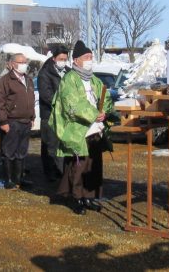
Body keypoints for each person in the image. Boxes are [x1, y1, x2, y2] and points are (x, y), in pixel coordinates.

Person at [50, 40, 114, 215]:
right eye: (87, 57)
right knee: (78, 166)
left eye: (91, 57)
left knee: (93, 164)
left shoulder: (94, 79)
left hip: (95, 129)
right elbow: (72, 103)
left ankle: (89, 196)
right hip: (77, 130)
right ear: (76, 60)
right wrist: (94, 114)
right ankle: (76, 197)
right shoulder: (69, 79)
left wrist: (105, 112)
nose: (90, 60)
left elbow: (105, 98)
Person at [0, 53, 35, 190]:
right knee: (9, 152)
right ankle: (9, 180)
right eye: (21, 61)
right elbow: (0, 103)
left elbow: (31, 99)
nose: (24, 64)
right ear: (13, 64)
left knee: (22, 152)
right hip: (12, 121)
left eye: (25, 61)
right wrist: (3, 121)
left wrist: (32, 117)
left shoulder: (28, 80)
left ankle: (19, 179)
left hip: (26, 121)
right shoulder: (5, 81)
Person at [37, 46, 70, 182]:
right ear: (54, 58)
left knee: (62, 144)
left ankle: (61, 171)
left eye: (65, 59)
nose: (63, 61)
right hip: (49, 114)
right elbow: (46, 95)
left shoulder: (69, 72)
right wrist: (62, 104)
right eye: (61, 59)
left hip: (65, 115)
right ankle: (50, 172)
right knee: (50, 144)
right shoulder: (45, 73)